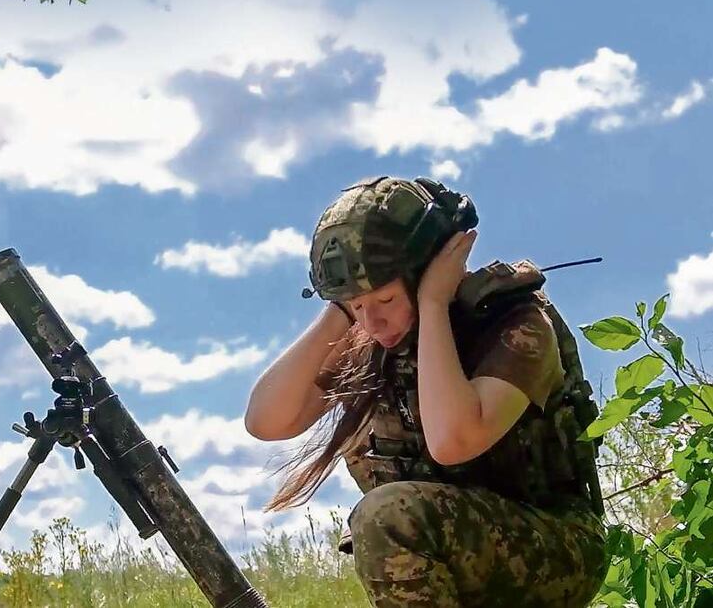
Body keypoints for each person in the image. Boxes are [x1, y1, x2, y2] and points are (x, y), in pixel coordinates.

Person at [244, 176, 608, 608]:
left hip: (555, 545)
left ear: (431, 271)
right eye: (358, 306)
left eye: (385, 300)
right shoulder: (372, 340)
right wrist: (341, 311)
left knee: (386, 516)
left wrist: (433, 303)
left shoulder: (516, 325)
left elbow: (455, 441)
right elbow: (266, 421)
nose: (373, 324)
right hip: (456, 547)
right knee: (388, 516)